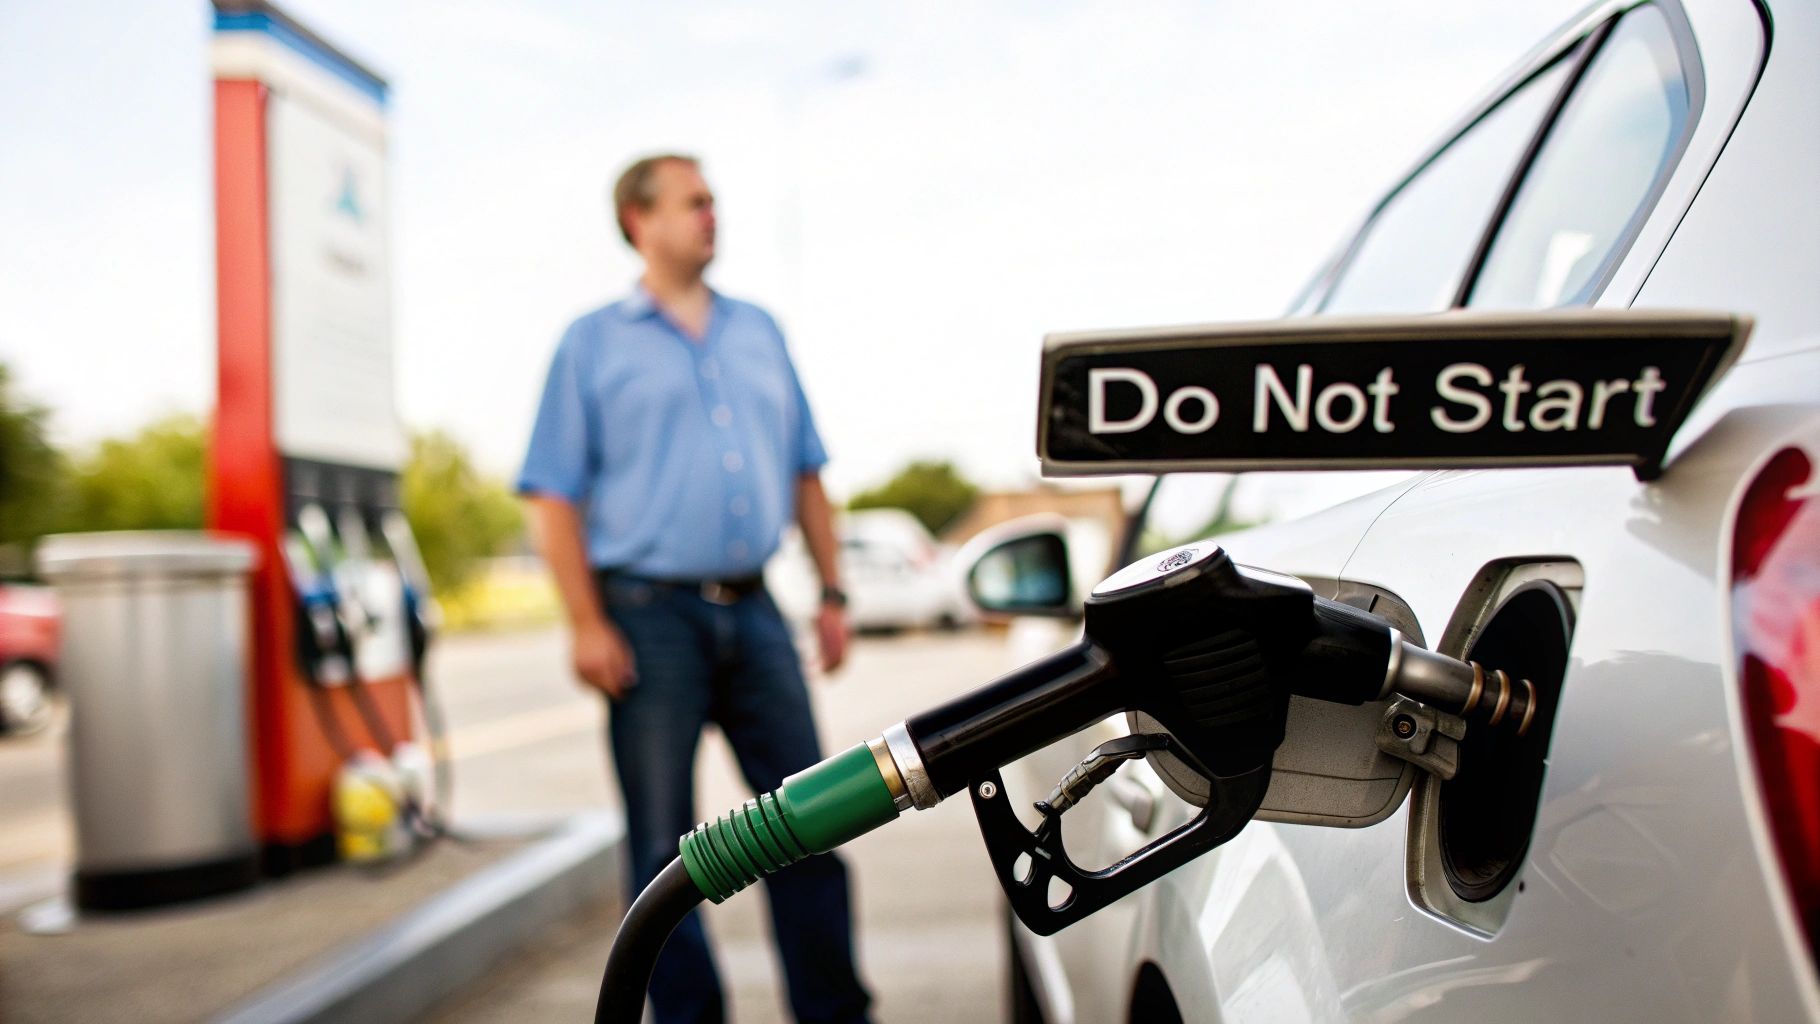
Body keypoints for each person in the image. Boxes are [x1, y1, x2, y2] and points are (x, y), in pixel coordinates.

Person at [517, 154, 870, 1024]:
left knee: (812, 827)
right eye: (693, 202)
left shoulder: (760, 330)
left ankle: (835, 1014)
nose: (712, 216)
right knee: (662, 852)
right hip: (646, 618)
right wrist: (585, 623)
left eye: (714, 202)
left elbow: (806, 472)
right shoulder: (591, 342)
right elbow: (551, 495)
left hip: (756, 611)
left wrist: (832, 593)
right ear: (639, 221)